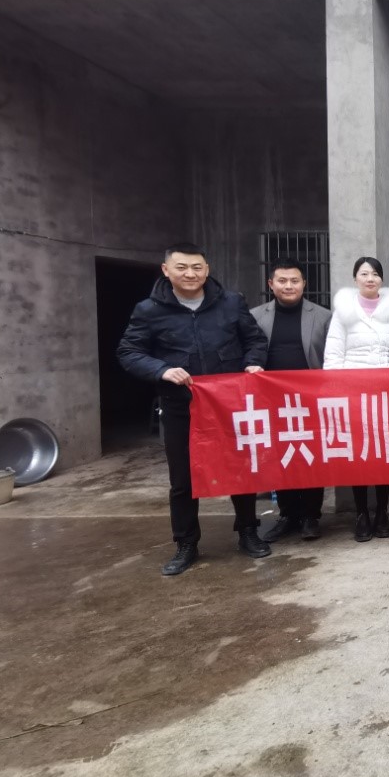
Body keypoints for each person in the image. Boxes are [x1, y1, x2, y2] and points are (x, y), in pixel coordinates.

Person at [117, 243, 270, 576]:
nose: (190, 274)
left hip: (228, 404)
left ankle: (248, 531)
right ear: (166, 270)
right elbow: (129, 352)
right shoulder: (149, 310)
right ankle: (186, 543)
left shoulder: (231, 302)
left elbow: (255, 340)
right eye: (182, 267)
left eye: (197, 267)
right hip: (180, 407)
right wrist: (161, 369)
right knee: (183, 479)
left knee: (239, 470)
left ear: (207, 269)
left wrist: (253, 362)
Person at [323, 256, 389, 542]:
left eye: (375, 274)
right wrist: (337, 391)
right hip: (353, 394)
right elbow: (333, 354)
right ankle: (361, 513)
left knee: (383, 455)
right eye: (364, 274)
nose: (370, 279)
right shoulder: (343, 312)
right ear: (355, 279)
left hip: (385, 394)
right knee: (358, 454)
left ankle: (382, 511)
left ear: (381, 279)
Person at [251, 258, 333, 542]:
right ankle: (288, 515)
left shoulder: (323, 316)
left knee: (312, 457)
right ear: (271, 284)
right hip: (271, 401)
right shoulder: (255, 316)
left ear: (304, 284)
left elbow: (330, 358)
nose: (289, 286)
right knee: (281, 456)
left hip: (311, 401)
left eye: (295, 281)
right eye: (282, 281)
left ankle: (311, 516)